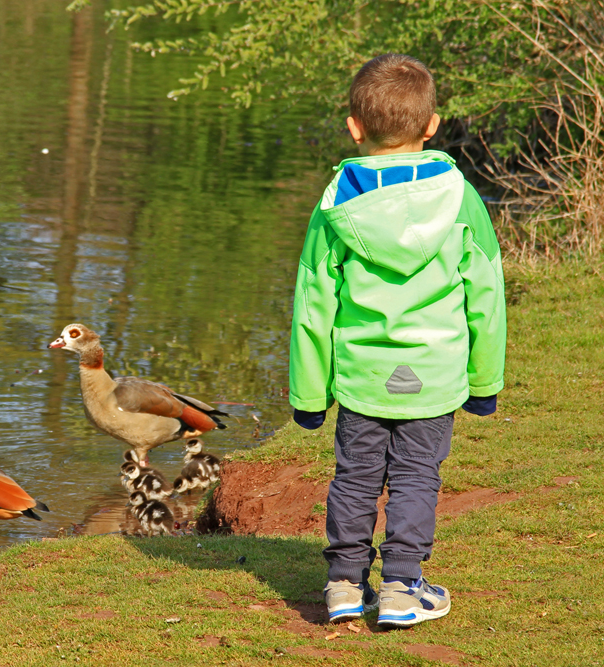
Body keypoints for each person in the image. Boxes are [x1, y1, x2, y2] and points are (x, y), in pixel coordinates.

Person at [287, 53, 507, 628]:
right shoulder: (459, 197)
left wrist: (309, 394)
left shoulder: (336, 203)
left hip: (361, 375)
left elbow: (314, 303)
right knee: (416, 476)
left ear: (354, 128)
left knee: (356, 476)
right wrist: (484, 381)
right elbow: (485, 292)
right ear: (433, 125)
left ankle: (343, 585)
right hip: (432, 375)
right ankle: (403, 587)